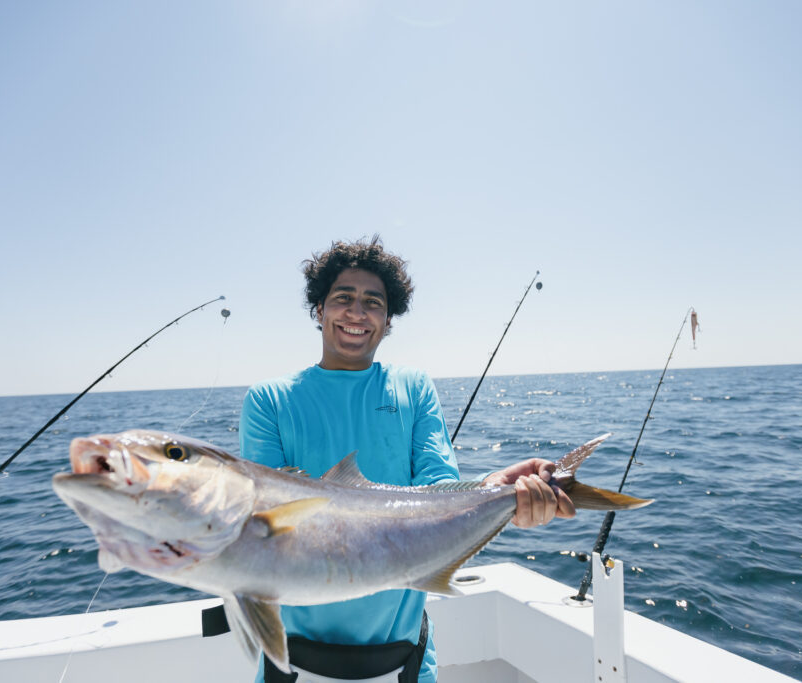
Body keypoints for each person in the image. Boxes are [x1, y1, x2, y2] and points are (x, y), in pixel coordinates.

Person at [239, 236, 575, 683]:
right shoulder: (270, 400)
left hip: (405, 666)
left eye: (373, 303)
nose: (357, 313)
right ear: (318, 309)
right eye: (343, 299)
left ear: (388, 318)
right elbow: (269, 521)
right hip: (292, 667)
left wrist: (498, 489)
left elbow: (439, 490)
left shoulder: (413, 388)